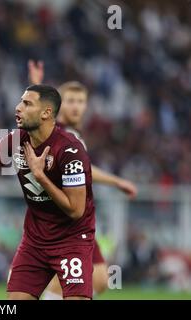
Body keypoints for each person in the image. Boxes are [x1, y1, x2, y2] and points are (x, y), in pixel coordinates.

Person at [0, 85, 96, 300]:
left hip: (71, 241)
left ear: (46, 113)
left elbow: (76, 210)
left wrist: (41, 176)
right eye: (20, 102)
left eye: (27, 104)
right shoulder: (16, 139)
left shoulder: (70, 150)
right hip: (35, 241)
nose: (18, 108)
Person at [28, 60, 138, 299]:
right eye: (70, 101)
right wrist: (117, 182)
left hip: (76, 217)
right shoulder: (61, 134)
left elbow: (84, 169)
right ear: (58, 105)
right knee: (76, 281)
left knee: (99, 277)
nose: (76, 107)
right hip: (66, 217)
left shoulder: (71, 133)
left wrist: (37, 83)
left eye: (80, 101)